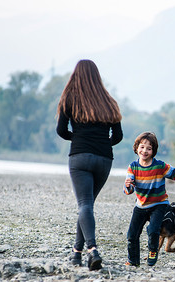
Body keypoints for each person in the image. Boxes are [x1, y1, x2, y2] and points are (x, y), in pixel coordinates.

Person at [56, 59, 123, 271]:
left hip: (80, 157)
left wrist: (77, 139)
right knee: (87, 206)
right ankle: (76, 253)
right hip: (104, 159)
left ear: (76, 75)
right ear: (97, 76)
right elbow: (118, 136)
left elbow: (60, 130)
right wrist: (102, 144)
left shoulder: (70, 99)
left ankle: (92, 249)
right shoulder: (109, 101)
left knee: (85, 205)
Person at [123, 131, 175, 267]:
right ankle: (133, 260)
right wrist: (128, 187)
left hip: (159, 204)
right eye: (142, 147)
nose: (144, 151)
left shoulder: (160, 166)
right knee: (132, 234)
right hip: (141, 205)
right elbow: (129, 189)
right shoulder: (133, 167)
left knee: (153, 230)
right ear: (136, 147)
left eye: (149, 148)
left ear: (153, 151)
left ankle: (152, 252)